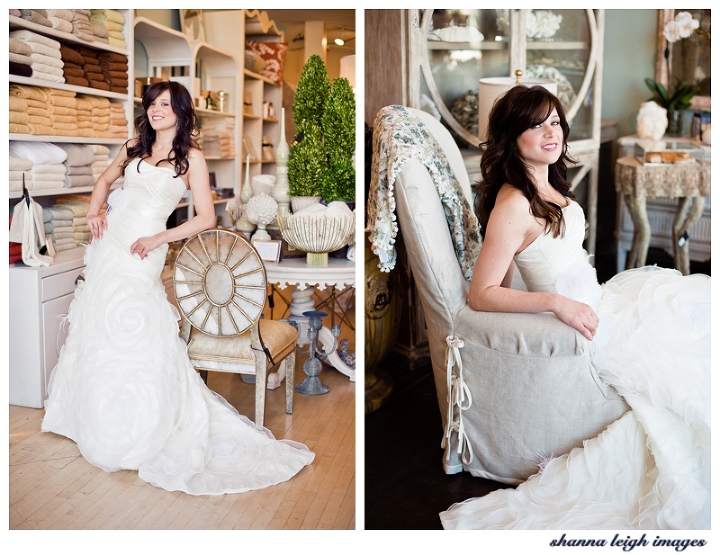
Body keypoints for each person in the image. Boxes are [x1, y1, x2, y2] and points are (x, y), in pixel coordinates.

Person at [440, 86, 709, 529]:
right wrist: (553, 303)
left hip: (601, 300)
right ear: (512, 136)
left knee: (691, 317)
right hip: (580, 317)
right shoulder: (513, 202)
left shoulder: (546, 182)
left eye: (555, 121)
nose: (552, 132)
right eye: (536, 124)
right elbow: (482, 293)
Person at [41, 81, 314, 495]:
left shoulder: (192, 159)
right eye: (152, 104)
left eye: (165, 105)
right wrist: (95, 211)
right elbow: (103, 181)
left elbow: (205, 218)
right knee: (99, 321)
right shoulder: (134, 146)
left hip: (143, 249)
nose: (156, 110)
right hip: (110, 243)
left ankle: (140, 422)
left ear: (181, 111)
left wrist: (158, 239)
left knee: (132, 322)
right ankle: (95, 416)